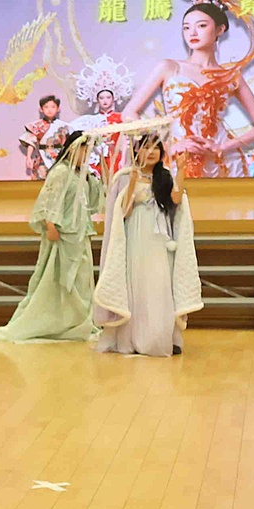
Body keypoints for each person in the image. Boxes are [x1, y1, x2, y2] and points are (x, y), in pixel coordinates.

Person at [124, 0, 254, 179]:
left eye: (201, 25)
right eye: (186, 27)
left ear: (220, 29)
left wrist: (223, 147)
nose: (192, 33)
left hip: (224, 163)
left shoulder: (229, 76)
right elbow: (128, 114)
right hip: (177, 157)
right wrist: (165, 147)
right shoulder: (169, 67)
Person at [0, 131, 104, 344]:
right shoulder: (61, 172)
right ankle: (55, 321)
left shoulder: (81, 174)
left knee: (81, 279)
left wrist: (95, 176)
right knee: (57, 278)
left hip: (79, 234)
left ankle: (77, 320)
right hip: (63, 235)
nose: (85, 154)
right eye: (83, 150)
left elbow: (91, 201)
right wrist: (50, 225)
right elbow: (49, 199)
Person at [93, 131, 201, 357]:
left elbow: (175, 200)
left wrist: (181, 170)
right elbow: (123, 212)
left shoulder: (165, 176)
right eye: (146, 147)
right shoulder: (124, 177)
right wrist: (133, 181)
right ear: (136, 150)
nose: (151, 152)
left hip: (160, 241)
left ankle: (159, 338)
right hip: (136, 237)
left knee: (159, 284)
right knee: (137, 283)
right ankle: (133, 338)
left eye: (156, 147)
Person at [20, 94, 67, 179]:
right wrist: (28, 157)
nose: (50, 110)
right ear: (41, 109)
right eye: (46, 107)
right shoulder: (37, 125)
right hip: (42, 156)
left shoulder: (63, 126)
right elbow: (31, 142)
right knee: (40, 180)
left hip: (58, 157)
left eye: (53, 107)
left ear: (58, 109)